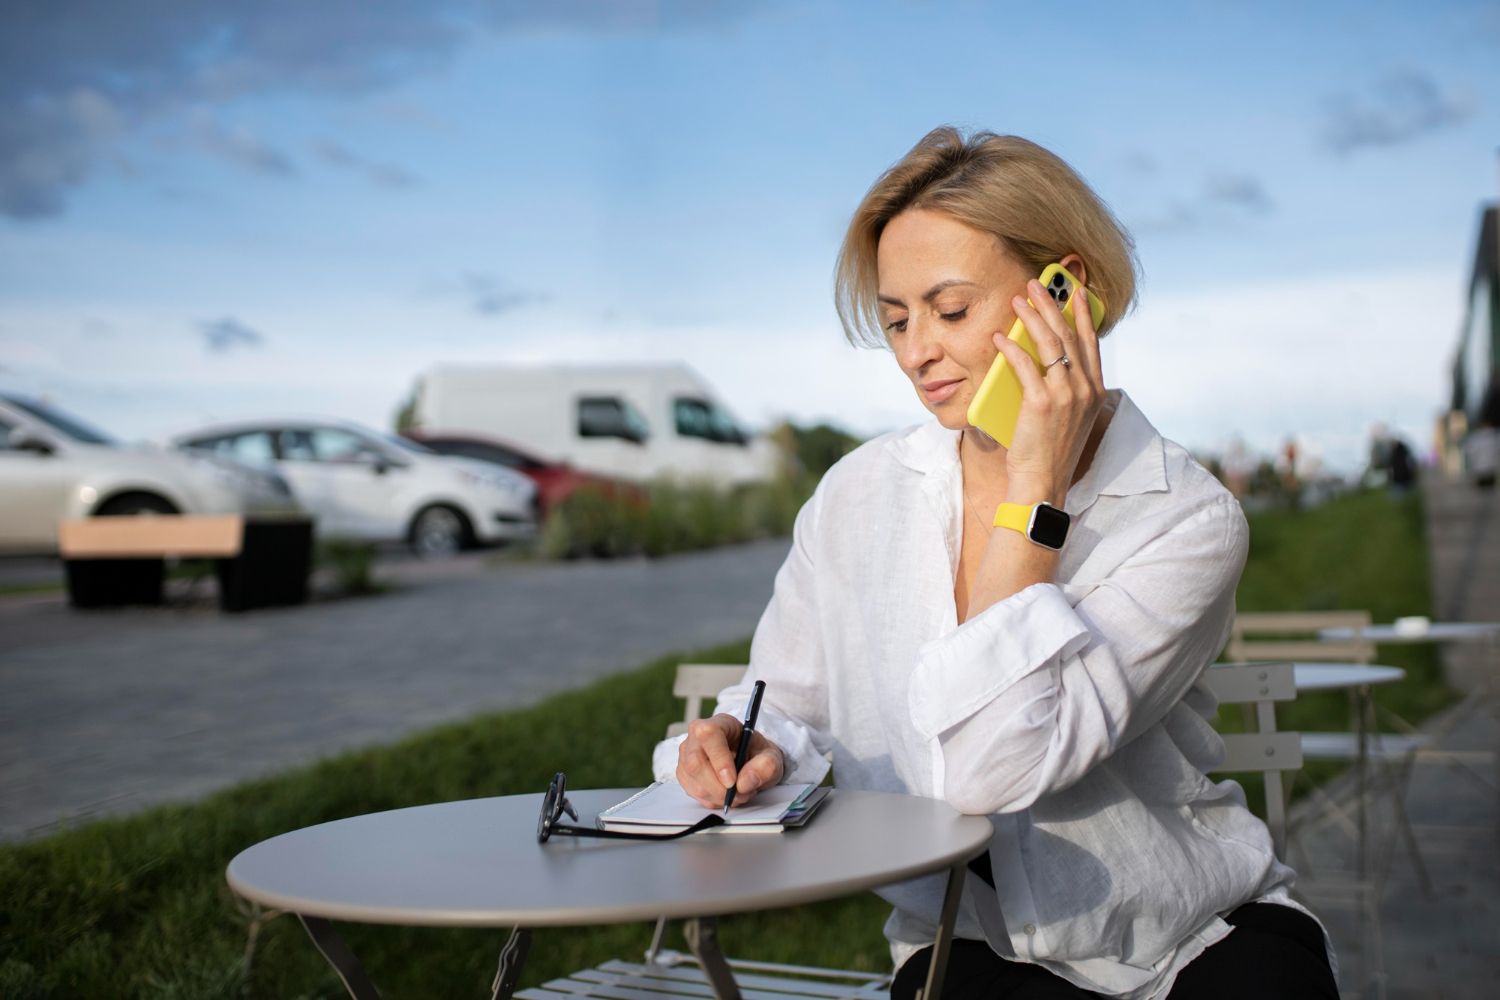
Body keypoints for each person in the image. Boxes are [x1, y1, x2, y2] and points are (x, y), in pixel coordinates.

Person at [651, 127, 1338, 999]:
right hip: (963, 947)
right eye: (897, 319)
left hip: (1187, 935)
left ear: (1065, 292)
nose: (913, 352)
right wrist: (743, 743)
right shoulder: (858, 495)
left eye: (949, 309)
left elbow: (989, 772)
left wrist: (1034, 492)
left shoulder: (1186, 519)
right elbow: (786, 707)